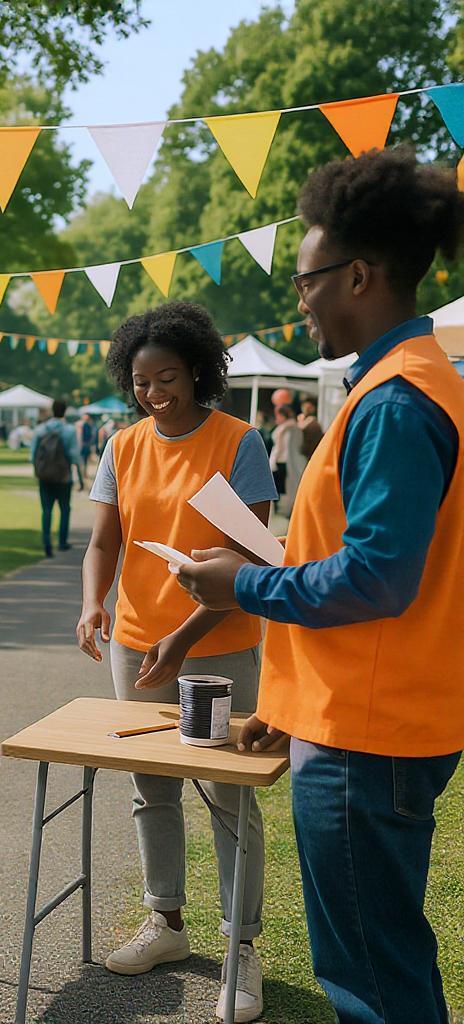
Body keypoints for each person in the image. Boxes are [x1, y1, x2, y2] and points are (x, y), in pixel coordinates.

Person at [176, 147, 464, 1024]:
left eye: (307, 283)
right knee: (387, 959)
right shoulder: (408, 386)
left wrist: (240, 586)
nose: (298, 301)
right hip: (361, 719)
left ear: (362, 275)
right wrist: (293, 707)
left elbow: (378, 580)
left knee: (371, 983)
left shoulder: (397, 401)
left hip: (367, 740)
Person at [78, 302, 277, 1023]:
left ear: (198, 371)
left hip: (217, 642)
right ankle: (165, 922)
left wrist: (187, 636)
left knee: (227, 794)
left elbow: (254, 555)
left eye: (168, 377)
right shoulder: (121, 444)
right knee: (150, 786)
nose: (156, 392)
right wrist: (92, 604)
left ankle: (240, 947)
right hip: (136, 644)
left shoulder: (238, 440)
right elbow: (104, 543)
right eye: (141, 380)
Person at [30, 399, 82, 557]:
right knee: (65, 509)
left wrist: (38, 471)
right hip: (63, 477)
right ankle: (62, 541)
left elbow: (33, 455)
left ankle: (47, 544)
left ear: (52, 410)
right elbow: (74, 456)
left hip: (45, 476)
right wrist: (80, 475)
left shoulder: (40, 429)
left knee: (46, 510)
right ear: (64, 411)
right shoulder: (69, 430)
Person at [268, 404, 306, 517]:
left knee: (284, 486)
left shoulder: (289, 429)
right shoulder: (286, 428)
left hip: (283, 460)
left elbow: (287, 447)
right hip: (281, 460)